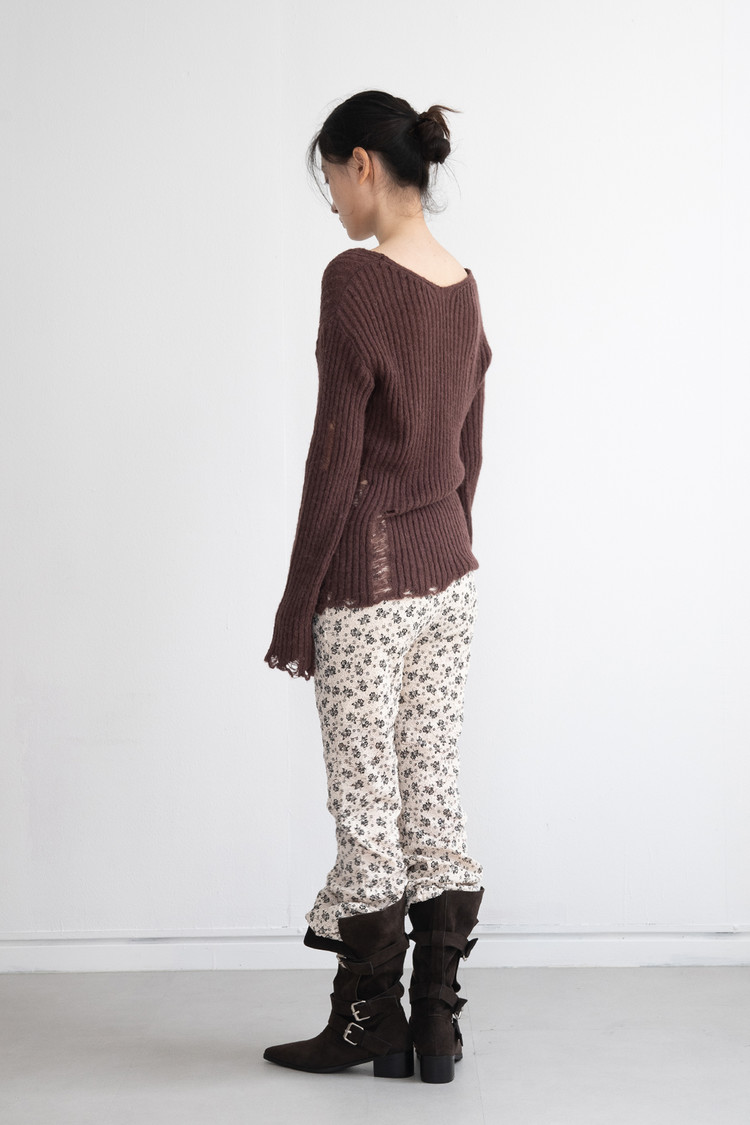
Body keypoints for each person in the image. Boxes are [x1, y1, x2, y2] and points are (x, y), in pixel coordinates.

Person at [263, 90, 492, 1084]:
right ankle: (434, 1027)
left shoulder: (356, 280)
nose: (333, 204)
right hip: (451, 574)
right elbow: (469, 447)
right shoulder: (463, 284)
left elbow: (335, 460)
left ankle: (367, 1023)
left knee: (367, 803)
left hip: (368, 584)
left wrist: (296, 605)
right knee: (431, 779)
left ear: (363, 164)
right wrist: (453, 537)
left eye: (331, 180)